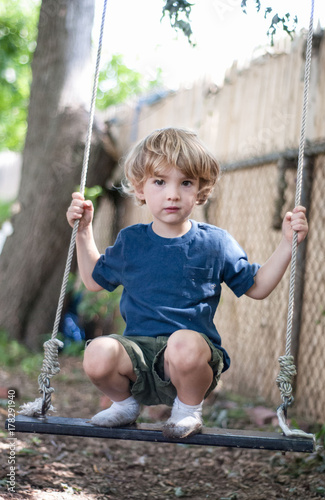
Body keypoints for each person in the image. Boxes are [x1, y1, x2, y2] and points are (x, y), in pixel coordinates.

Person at [66, 127, 308, 438]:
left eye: (186, 183)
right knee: (97, 351)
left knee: (183, 342)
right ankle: (125, 405)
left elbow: (257, 286)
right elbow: (93, 279)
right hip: (138, 356)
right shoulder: (131, 241)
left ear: (200, 190)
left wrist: (288, 244)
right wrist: (84, 231)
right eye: (159, 182)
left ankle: (188, 410)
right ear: (140, 189)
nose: (172, 194)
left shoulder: (215, 243)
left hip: (193, 359)